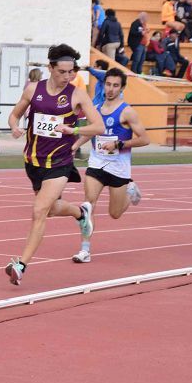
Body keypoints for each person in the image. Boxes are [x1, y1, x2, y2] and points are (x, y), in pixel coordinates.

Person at [5, 44, 104, 285]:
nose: (68, 77)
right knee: (49, 208)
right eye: (62, 72)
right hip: (33, 161)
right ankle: (81, 212)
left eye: (72, 72)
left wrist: (74, 129)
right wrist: (15, 126)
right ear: (50, 68)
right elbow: (15, 114)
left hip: (60, 161)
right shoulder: (33, 90)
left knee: (39, 211)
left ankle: (21, 265)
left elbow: (99, 126)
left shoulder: (76, 94)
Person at [69, 69, 148, 263]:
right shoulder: (95, 106)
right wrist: (76, 144)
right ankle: (85, 250)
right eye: (108, 84)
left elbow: (145, 139)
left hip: (118, 167)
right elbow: (92, 131)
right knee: (88, 204)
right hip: (97, 162)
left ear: (122, 88)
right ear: (103, 85)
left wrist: (119, 144)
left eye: (115, 85)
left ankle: (131, 192)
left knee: (115, 214)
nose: (110, 89)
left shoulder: (127, 111)